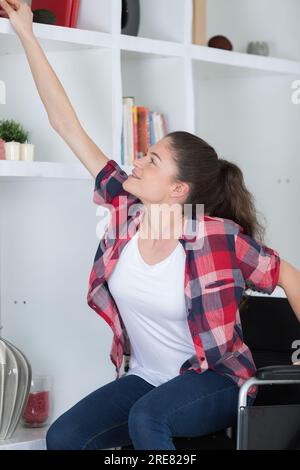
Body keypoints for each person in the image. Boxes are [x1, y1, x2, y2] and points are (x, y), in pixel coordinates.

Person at [1, 0, 300, 451]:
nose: (138, 160)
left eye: (152, 159)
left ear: (179, 190)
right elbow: (66, 125)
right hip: (145, 379)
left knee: (148, 420)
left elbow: (290, 276)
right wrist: (27, 33)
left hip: (216, 380)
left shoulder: (216, 236)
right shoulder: (126, 210)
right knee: (63, 438)